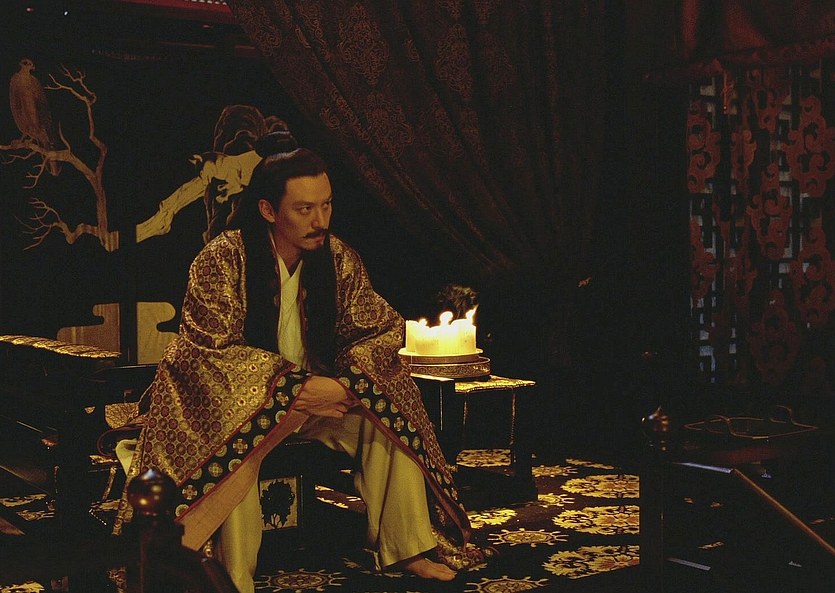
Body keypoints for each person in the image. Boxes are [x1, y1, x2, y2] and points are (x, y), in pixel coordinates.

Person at [112, 147, 485, 593]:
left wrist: (344, 386)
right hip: (239, 410)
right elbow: (208, 353)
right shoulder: (222, 260)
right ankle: (230, 581)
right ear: (268, 210)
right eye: (304, 209)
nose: (319, 221)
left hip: (321, 403)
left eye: (326, 205)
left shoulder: (337, 258)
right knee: (238, 447)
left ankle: (409, 548)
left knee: (388, 420)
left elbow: (381, 330)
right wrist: (290, 389)